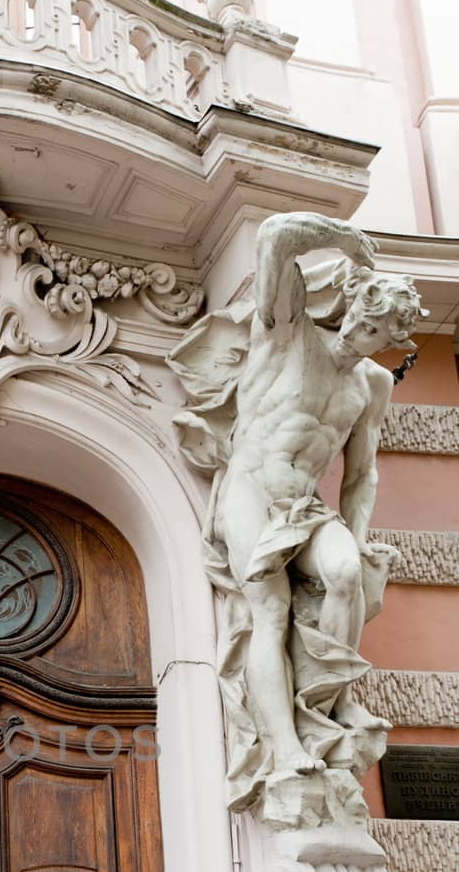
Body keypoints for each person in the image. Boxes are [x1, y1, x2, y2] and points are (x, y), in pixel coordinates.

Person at [169, 212, 426, 826]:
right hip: (251, 490)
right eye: (365, 320)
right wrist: (340, 239)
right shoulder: (287, 335)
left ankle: (326, 709)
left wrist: (359, 543)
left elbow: (361, 475)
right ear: (352, 303)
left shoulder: (371, 385)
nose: (365, 335)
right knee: (271, 611)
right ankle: (284, 746)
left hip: (305, 505)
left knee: (344, 575)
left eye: (380, 333)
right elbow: (273, 237)